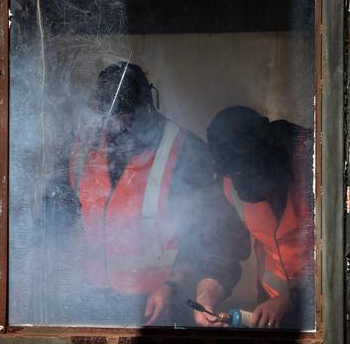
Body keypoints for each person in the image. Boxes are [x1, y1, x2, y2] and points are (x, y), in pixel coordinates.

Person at [52, 62, 250, 326]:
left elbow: (212, 237)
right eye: (111, 117)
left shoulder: (184, 151)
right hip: (93, 296)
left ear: (148, 107)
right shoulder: (81, 147)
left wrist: (173, 285)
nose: (119, 126)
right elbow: (57, 212)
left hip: (160, 302)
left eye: (128, 117)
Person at [203, 106, 315, 329]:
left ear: (265, 154)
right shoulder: (228, 183)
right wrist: (206, 296)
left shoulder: (311, 164)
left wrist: (290, 299)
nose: (239, 185)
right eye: (233, 175)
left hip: (324, 306)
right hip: (270, 309)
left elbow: (343, 258)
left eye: (244, 172)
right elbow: (223, 250)